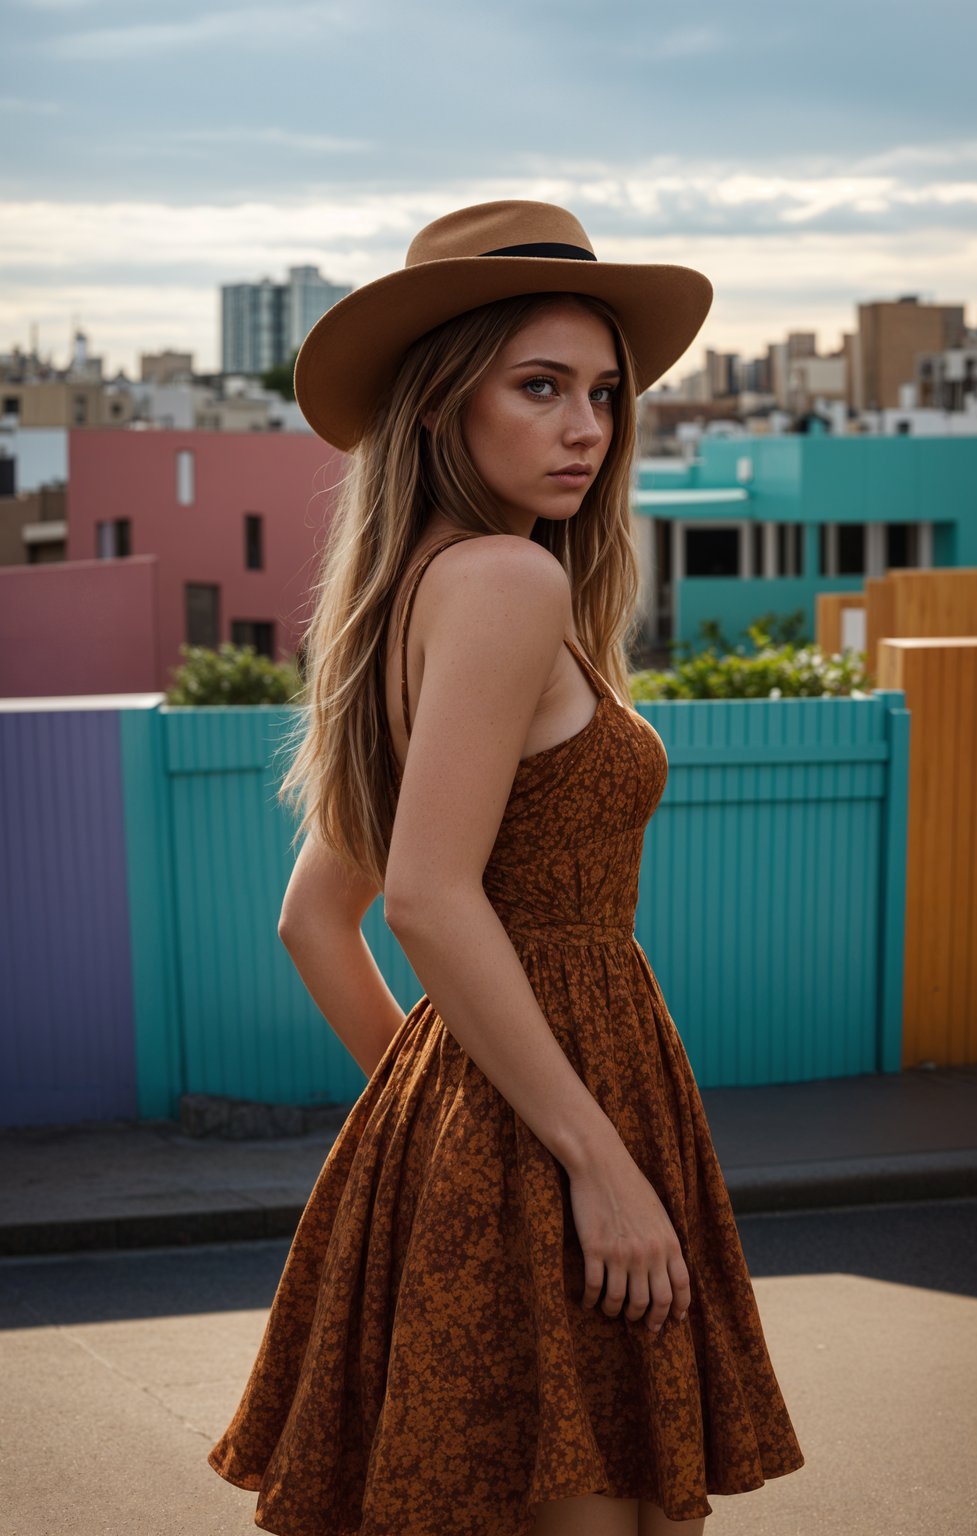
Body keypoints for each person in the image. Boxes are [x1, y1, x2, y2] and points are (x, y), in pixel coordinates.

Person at [207, 200, 805, 1536]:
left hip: (510, 1104)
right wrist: (582, 1155)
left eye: (602, 391)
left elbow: (316, 921)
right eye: (540, 388)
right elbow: (418, 896)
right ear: (441, 408)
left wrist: (451, 1136)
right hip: (570, 1093)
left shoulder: (418, 588)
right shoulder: (506, 587)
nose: (587, 426)